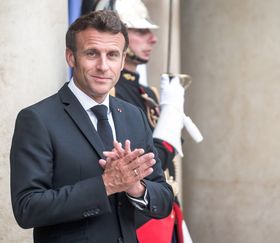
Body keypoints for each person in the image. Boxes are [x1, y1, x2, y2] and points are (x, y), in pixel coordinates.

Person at [10, 10, 173, 243]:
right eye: (92, 53)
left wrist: (136, 187)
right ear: (71, 57)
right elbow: (27, 209)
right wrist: (106, 184)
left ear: (123, 61)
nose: (103, 66)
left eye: (113, 55)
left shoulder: (133, 115)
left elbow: (164, 198)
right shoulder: (37, 119)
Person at [93, 0, 195, 242]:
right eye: (140, 31)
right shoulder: (110, 94)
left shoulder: (147, 93)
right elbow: (136, 162)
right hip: (137, 220)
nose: (153, 39)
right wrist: (168, 132)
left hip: (163, 210)